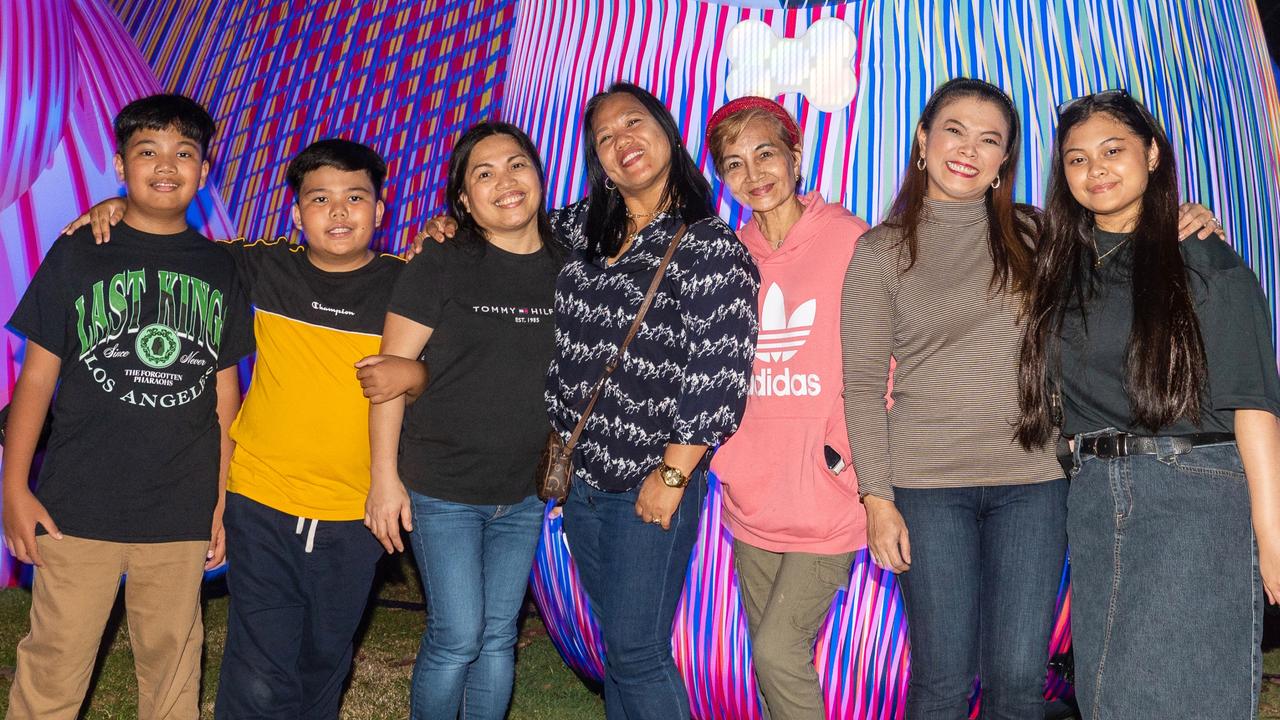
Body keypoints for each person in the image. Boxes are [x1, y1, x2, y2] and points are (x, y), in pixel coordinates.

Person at [839, 77, 1226, 719]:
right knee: (941, 682)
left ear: (1003, 163)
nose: (969, 149)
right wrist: (877, 500)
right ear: (922, 142)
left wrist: (1183, 218)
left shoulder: (1038, 234)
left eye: (990, 140)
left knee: (1019, 683)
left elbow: (1123, 252)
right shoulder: (880, 251)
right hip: (928, 491)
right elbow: (859, 382)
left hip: (1035, 484)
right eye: (954, 131)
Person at [60, 138, 426, 719]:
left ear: (381, 210)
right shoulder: (263, 264)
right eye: (319, 199)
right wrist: (118, 207)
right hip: (260, 497)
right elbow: (174, 249)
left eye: (355, 198)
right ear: (295, 212)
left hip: (357, 509)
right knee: (259, 661)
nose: (337, 212)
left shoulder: (412, 284)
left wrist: (416, 372)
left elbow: (457, 371)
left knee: (325, 654)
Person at [1015, 90, 1280, 719]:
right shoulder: (1057, 262)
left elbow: (1254, 404)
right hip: (1093, 491)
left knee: (1191, 687)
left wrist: (1272, 538)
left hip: (1192, 493)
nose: (1095, 169)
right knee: (1114, 690)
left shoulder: (1204, 259)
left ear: (1153, 154)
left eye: (1113, 151)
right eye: (1076, 159)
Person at [1, 93, 255, 720]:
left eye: (183, 152)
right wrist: (13, 485)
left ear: (204, 166)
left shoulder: (221, 268)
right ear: (119, 165)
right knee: (53, 663)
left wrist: (220, 499)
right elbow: (34, 382)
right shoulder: (79, 252)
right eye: (148, 151)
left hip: (180, 504)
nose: (165, 165)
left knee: (172, 669)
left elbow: (227, 395)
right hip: (76, 502)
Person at [549, 82, 758, 719]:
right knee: (621, 645)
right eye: (605, 137)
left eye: (634, 124)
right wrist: (449, 226)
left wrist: (671, 474)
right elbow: (504, 228)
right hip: (581, 479)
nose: (622, 142)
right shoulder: (578, 230)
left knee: (637, 649)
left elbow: (718, 374)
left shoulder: (709, 244)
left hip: (653, 477)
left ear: (667, 133)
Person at [365, 121, 562, 720]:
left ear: (538, 173)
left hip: (523, 493)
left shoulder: (572, 264)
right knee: (457, 636)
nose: (505, 181)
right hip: (442, 487)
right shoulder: (441, 263)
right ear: (463, 199)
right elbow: (386, 376)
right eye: (484, 173)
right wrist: (383, 479)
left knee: (499, 637)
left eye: (516, 165)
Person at [703, 96, 868, 720]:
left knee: (777, 651)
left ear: (796, 156)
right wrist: (728, 455)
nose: (754, 174)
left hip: (828, 492)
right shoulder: (727, 256)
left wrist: (843, 452)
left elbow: (886, 358)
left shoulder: (851, 239)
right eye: (734, 163)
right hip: (751, 494)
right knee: (773, 664)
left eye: (765, 153)